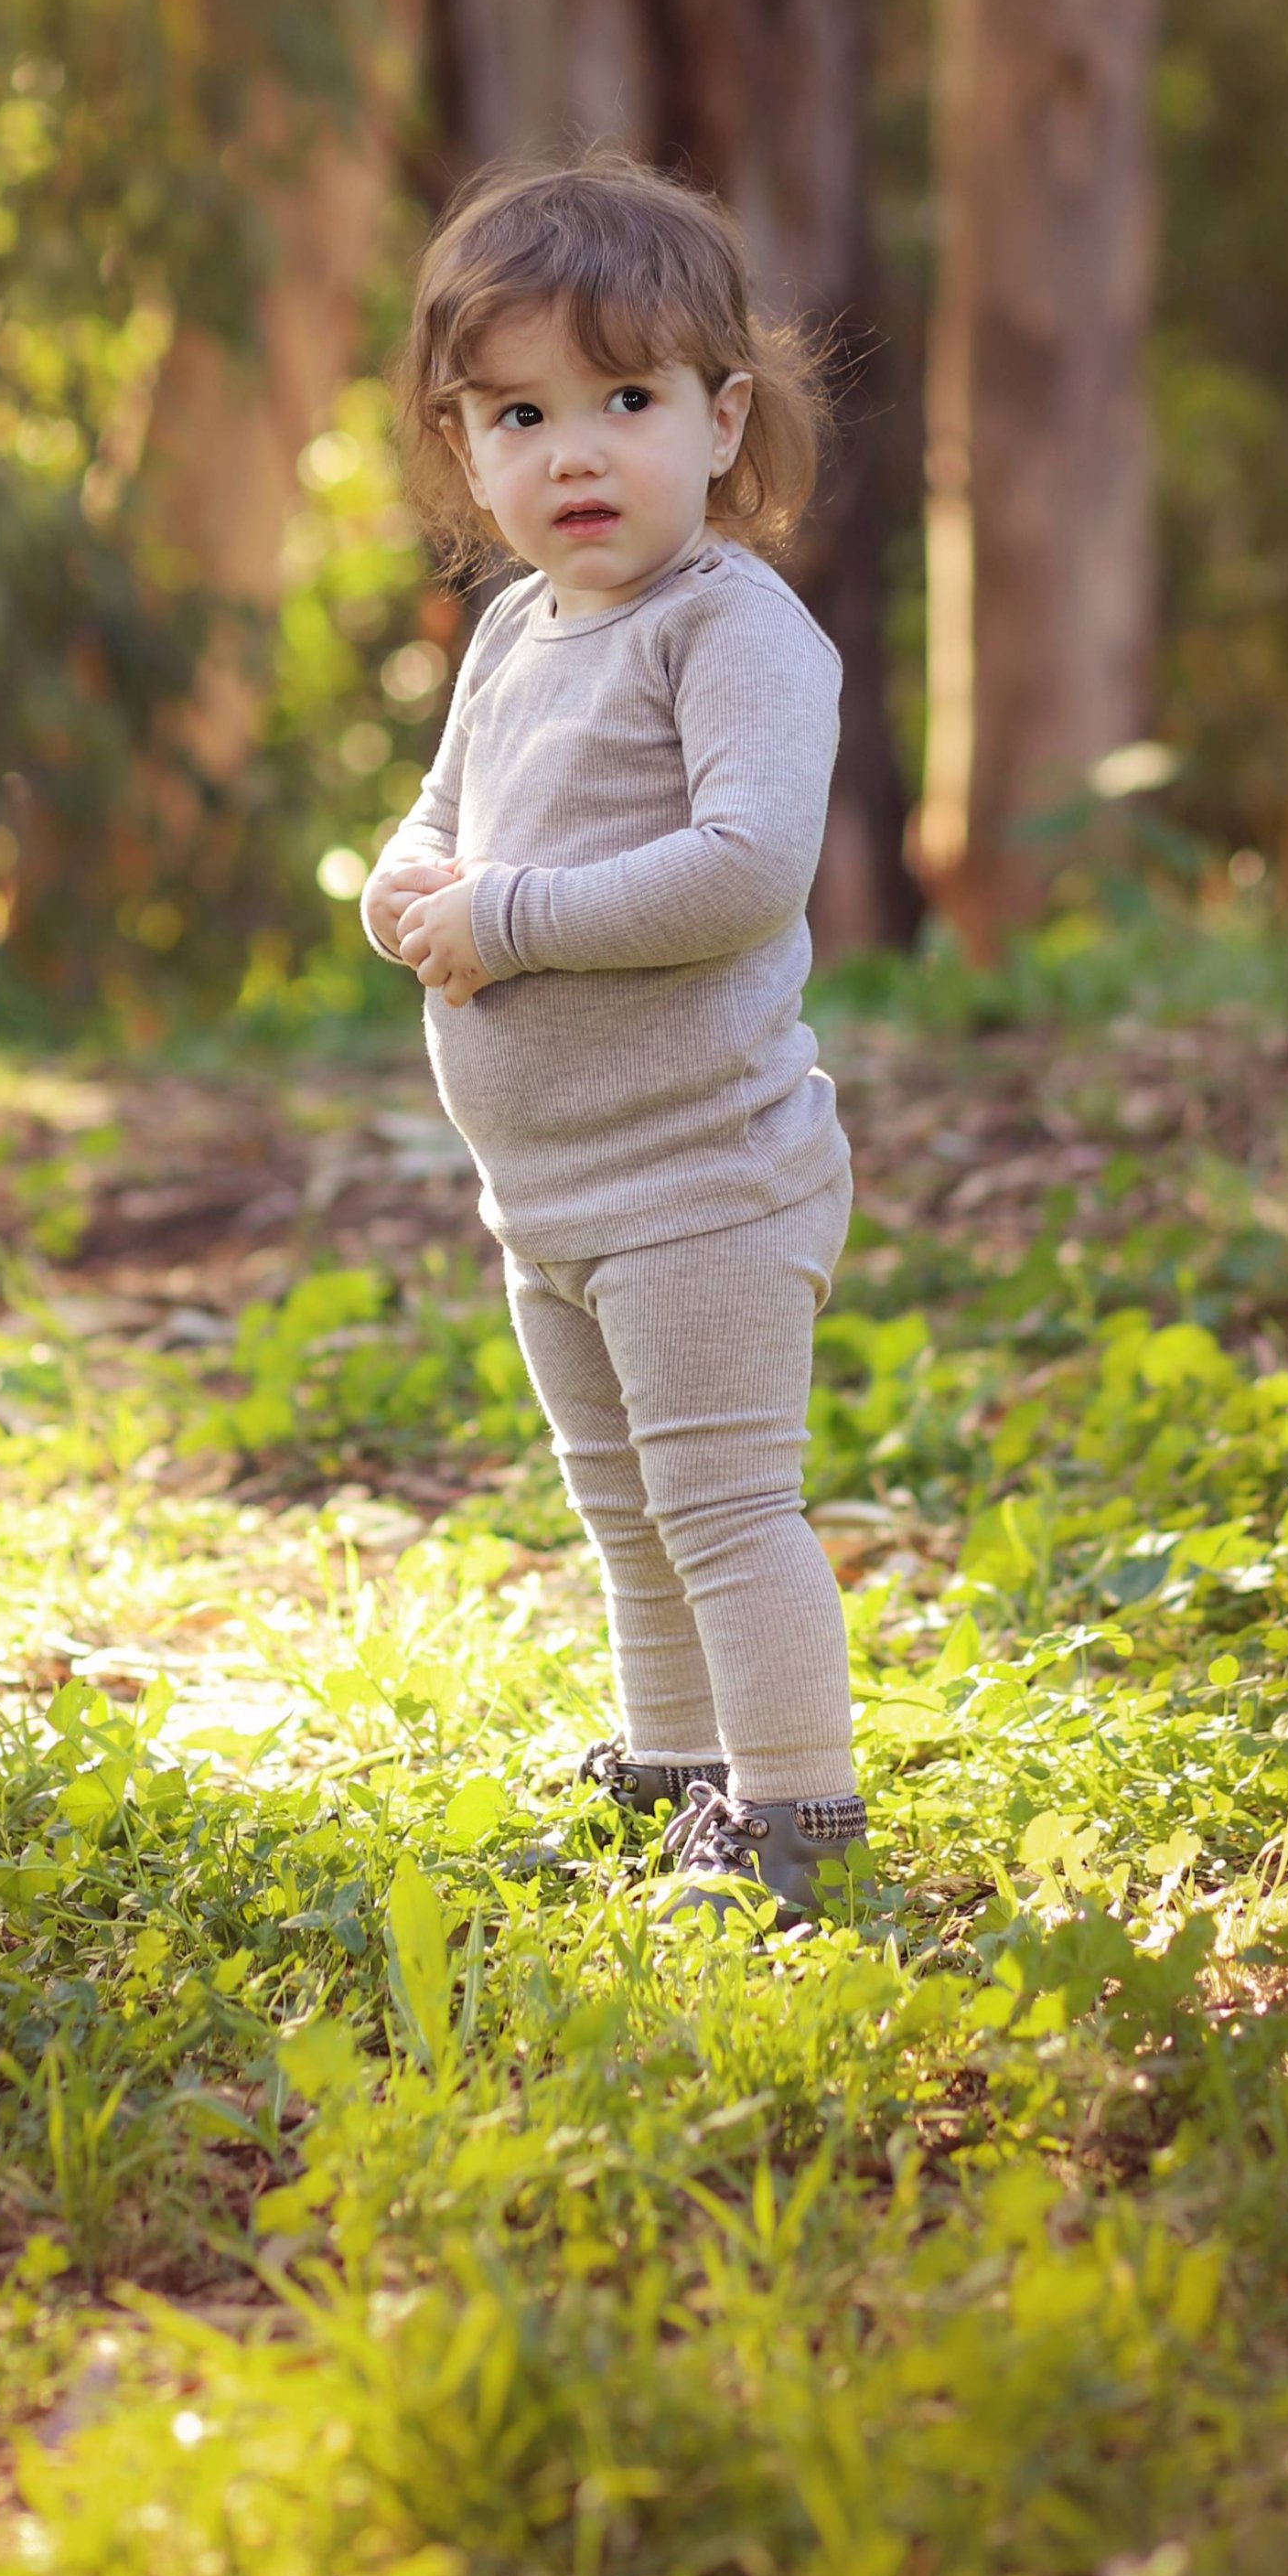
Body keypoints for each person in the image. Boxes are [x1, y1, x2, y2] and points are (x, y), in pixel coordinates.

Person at [359, 152, 868, 1930]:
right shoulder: (512, 631)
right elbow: (438, 822)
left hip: (703, 1183)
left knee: (725, 1511)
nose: (574, 451)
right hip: (551, 1198)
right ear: (462, 440)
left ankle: (796, 1825)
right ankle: (672, 1780)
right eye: (519, 412)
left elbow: (742, 873)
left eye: (625, 399)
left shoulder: (733, 632)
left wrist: (495, 920)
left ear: (725, 422)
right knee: (627, 1518)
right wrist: (405, 884)